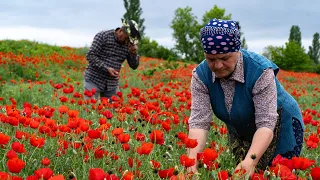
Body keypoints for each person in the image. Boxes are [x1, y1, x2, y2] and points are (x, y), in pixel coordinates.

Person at [187, 19, 305, 176]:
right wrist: (191, 162)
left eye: (225, 58)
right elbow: (199, 123)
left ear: (237, 51)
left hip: (279, 125)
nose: (218, 66)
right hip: (242, 128)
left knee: (277, 173)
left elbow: (266, 123)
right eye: (211, 59)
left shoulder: (260, 71)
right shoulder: (201, 76)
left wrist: (250, 161)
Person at [83, 19, 141, 100]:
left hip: (111, 84)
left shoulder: (128, 44)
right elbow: (90, 56)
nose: (127, 41)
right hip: (94, 79)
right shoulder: (103, 36)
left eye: (129, 40)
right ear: (121, 31)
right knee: (89, 109)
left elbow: (134, 66)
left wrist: (134, 54)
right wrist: (106, 69)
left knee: (112, 111)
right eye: (126, 38)